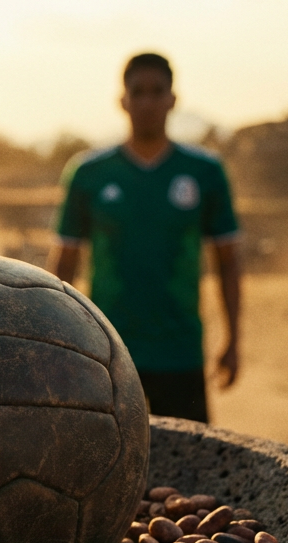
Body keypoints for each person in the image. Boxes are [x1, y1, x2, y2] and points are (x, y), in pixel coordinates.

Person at [49, 52, 241, 424]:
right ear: (123, 101)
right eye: (138, 92)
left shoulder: (204, 172)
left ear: (173, 99)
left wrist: (233, 340)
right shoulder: (89, 173)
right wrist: (55, 341)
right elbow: (64, 264)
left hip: (180, 350)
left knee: (187, 456)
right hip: (108, 351)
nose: (147, 102)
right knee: (104, 456)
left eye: (157, 92)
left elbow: (228, 261)